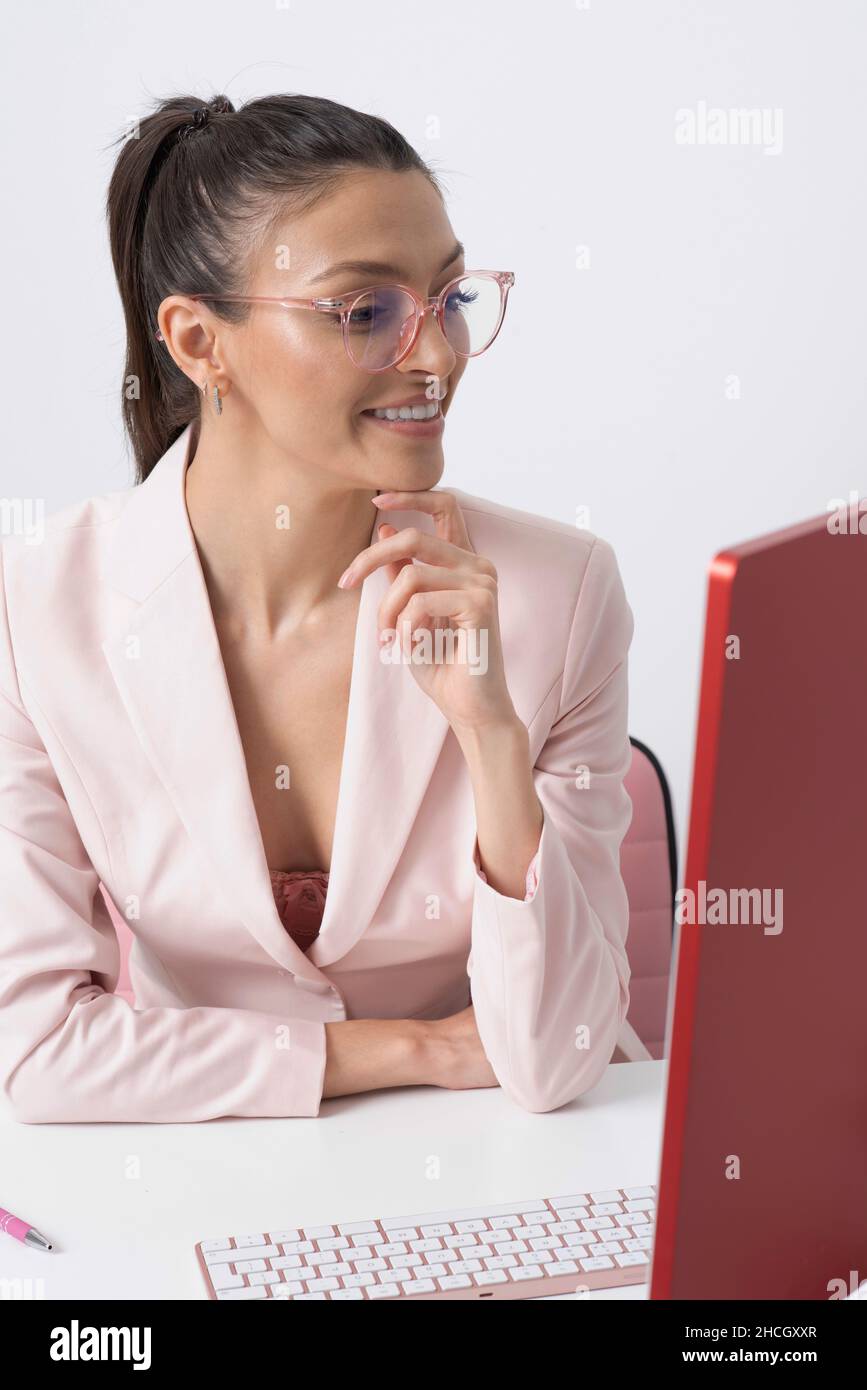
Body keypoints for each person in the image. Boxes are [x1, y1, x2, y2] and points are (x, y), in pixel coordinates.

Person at [0, 92, 636, 1123]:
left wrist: (489, 732)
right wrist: (413, 1046)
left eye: (449, 297)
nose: (438, 358)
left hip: (509, 1165)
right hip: (213, 1173)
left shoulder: (558, 595)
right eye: (366, 312)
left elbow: (557, 1057)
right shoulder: (36, 611)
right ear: (201, 344)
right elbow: (40, 1054)